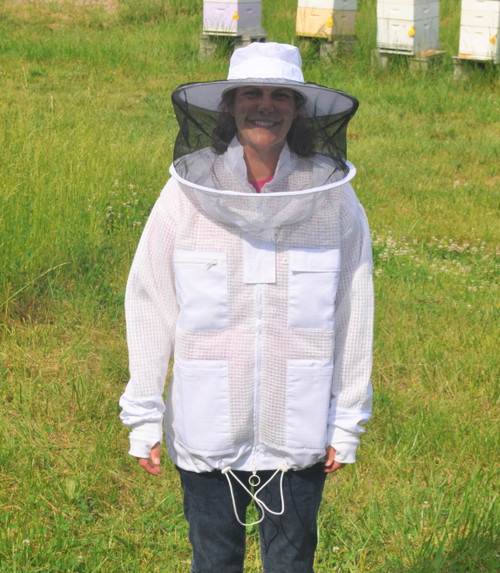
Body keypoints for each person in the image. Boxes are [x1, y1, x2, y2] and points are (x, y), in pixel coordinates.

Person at [119, 42, 373, 573]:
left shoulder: (332, 198)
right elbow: (150, 301)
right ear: (231, 106)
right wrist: (144, 416)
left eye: (281, 95)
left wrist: (346, 419)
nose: (266, 106)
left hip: (298, 428)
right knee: (213, 564)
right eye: (251, 94)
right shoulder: (186, 195)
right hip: (207, 428)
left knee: (292, 566)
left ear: (297, 109)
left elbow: (354, 308)